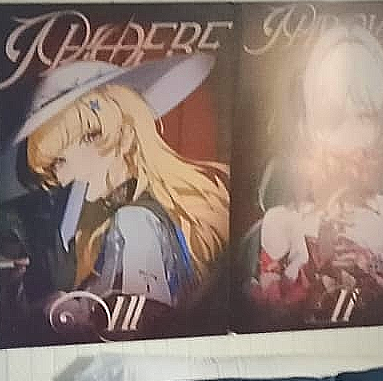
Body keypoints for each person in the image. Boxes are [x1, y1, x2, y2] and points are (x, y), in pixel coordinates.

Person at [13, 55, 229, 340]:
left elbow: (132, 327)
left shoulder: (134, 221)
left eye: (61, 162)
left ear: (108, 137)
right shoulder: (130, 216)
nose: (61, 179)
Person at [247, 23, 383, 327]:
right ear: (307, 123)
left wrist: (373, 268)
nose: (348, 137)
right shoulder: (281, 220)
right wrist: (311, 271)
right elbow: (267, 310)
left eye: (365, 117)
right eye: (332, 118)